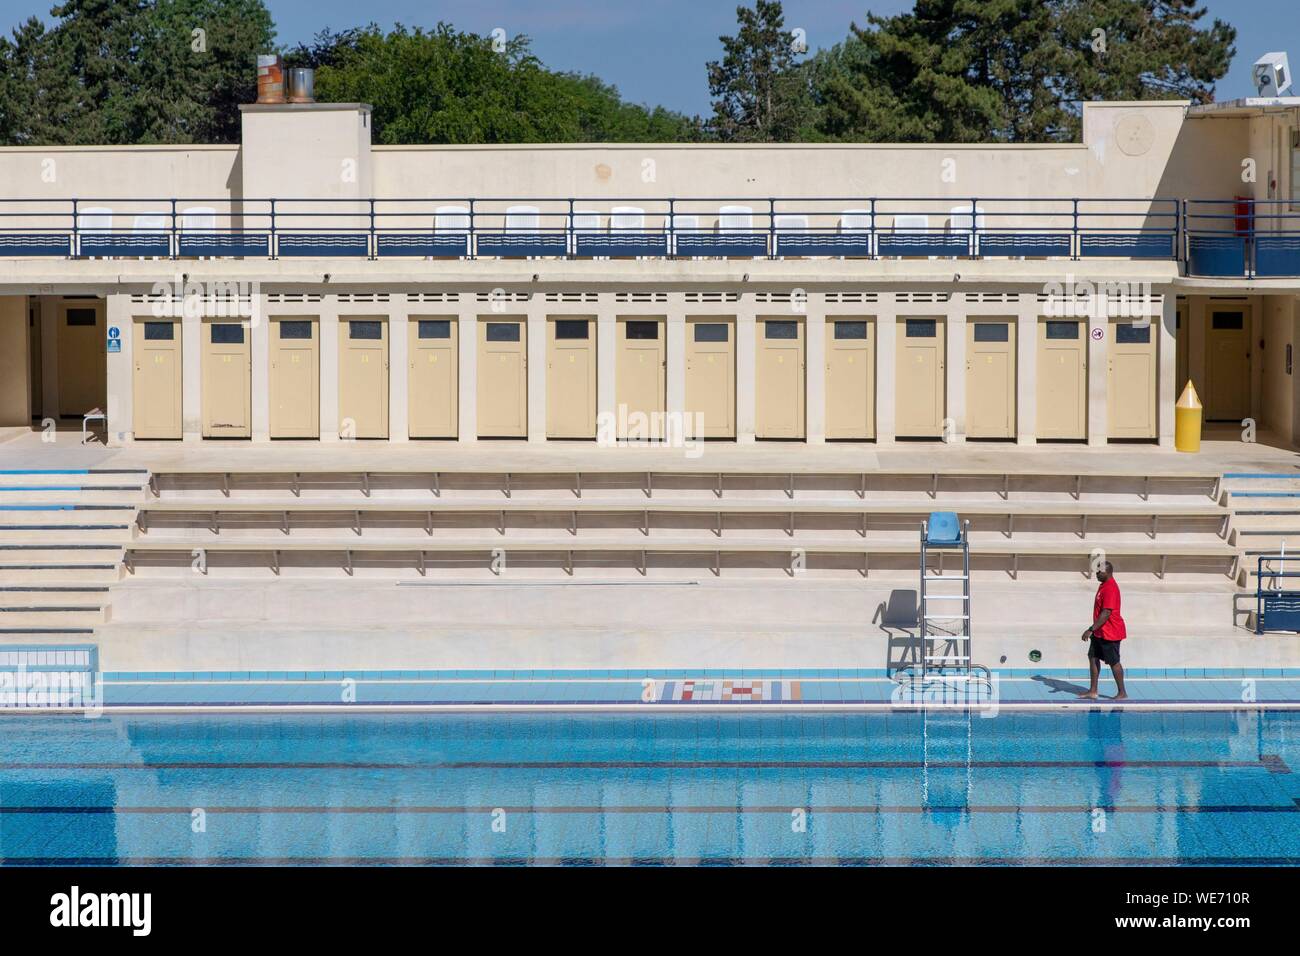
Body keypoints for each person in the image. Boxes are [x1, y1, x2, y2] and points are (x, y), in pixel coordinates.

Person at [1078, 561, 1127, 700]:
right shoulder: (1103, 585)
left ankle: (1122, 692)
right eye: (1096, 571)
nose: (1096, 574)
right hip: (1100, 631)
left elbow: (1106, 613)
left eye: (1099, 572)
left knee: (1114, 662)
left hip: (1110, 632)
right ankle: (1093, 691)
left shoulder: (1111, 587)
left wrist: (1090, 629)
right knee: (1093, 657)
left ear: (1108, 571)